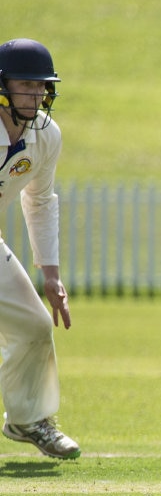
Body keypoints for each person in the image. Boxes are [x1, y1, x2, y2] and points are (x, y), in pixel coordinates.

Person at [0, 38, 79, 460]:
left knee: (33, 326)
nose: (35, 95)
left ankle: (28, 419)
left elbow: (40, 198)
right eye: (25, 85)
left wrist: (50, 273)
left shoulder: (45, 136)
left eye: (41, 86)